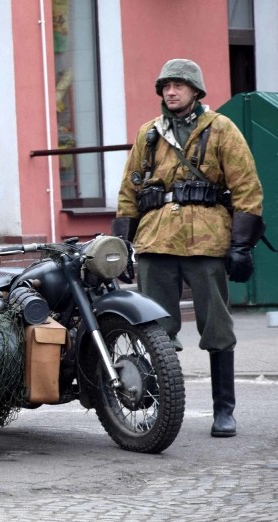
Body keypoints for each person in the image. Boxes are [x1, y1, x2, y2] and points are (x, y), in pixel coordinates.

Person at [112, 58, 264, 438]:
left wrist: (241, 245)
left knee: (217, 328)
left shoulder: (221, 129)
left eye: (179, 85)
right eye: (166, 85)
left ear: (196, 91)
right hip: (156, 241)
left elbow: (247, 187)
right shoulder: (148, 133)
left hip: (205, 241)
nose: (171, 91)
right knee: (155, 330)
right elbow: (129, 194)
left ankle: (223, 411)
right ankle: (162, 407)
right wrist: (121, 248)